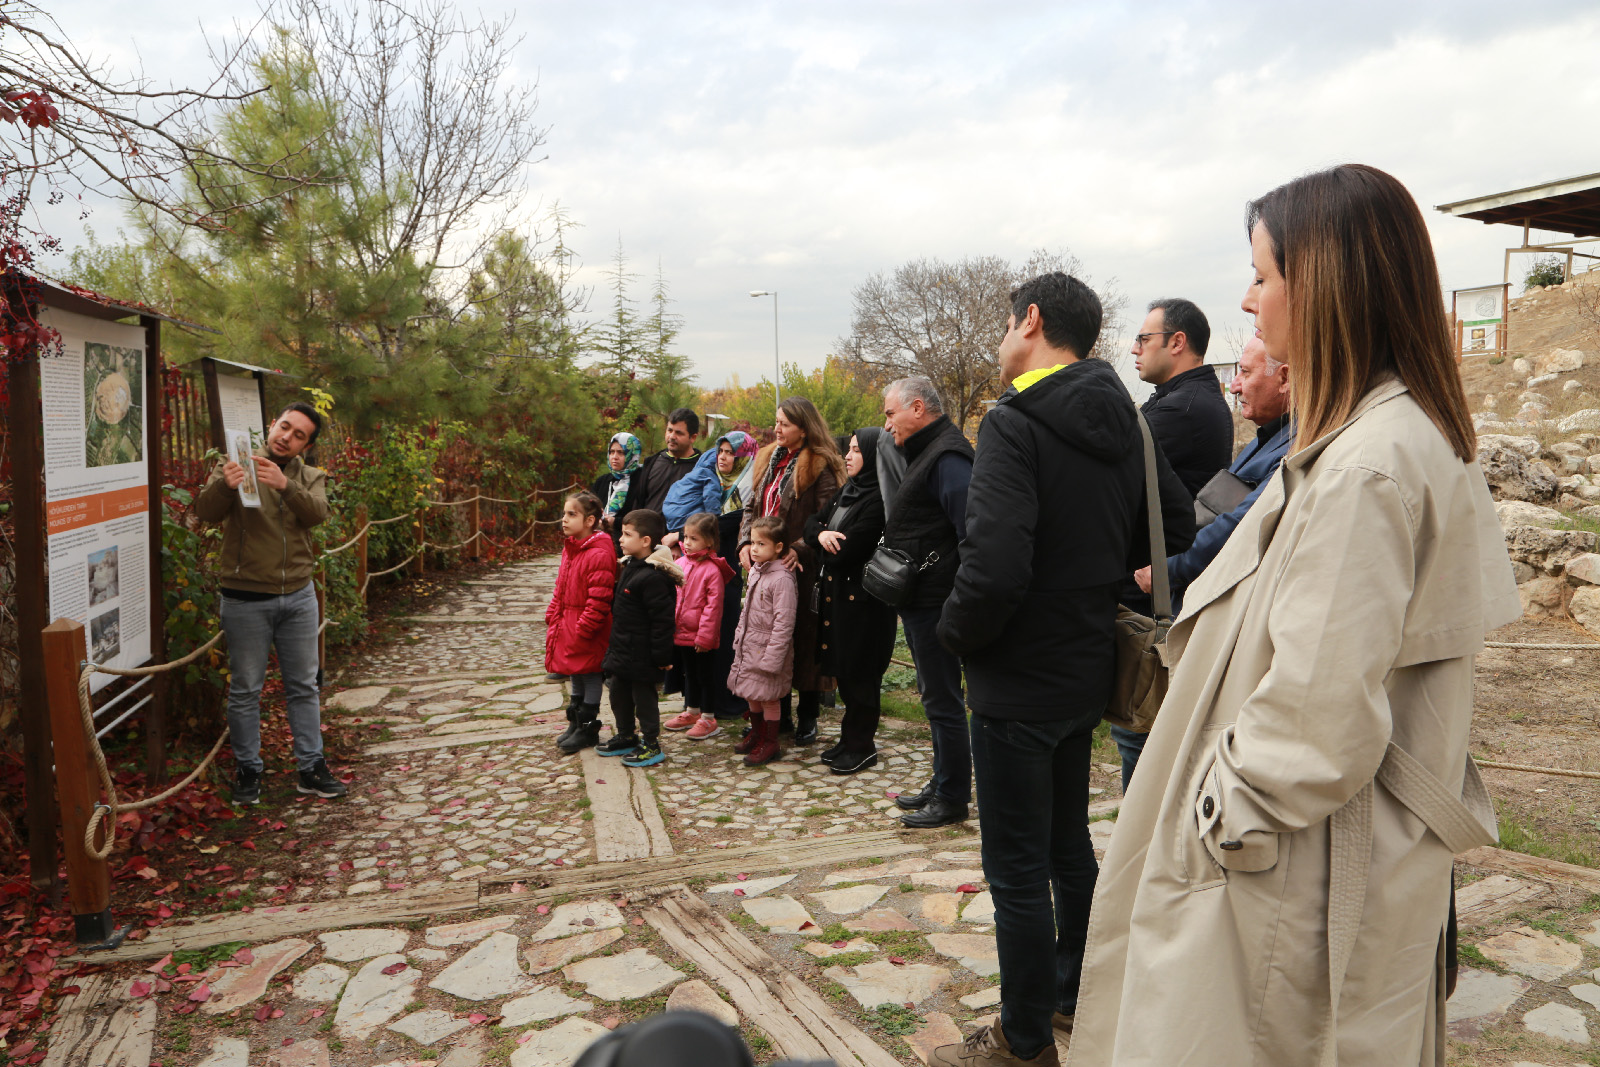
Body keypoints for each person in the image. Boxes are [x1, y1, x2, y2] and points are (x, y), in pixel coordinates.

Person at [1066, 166, 1521, 1067]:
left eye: (1264, 275)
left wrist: (1217, 817)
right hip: (1310, 861)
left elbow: (1318, 718)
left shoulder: (1367, 464)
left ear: (1327, 284)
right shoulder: (1386, 434)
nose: (1248, 299)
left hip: (1291, 875)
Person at [931, 273, 1194, 1067]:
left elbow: (997, 564)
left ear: (1033, 321)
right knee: (1066, 846)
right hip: (1085, 669)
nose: (1002, 339)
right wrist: (1094, 577)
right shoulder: (1129, 420)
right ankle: (1078, 994)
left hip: (1015, 675)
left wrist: (955, 635)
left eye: (1007, 324)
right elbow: (1176, 522)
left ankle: (1023, 1040)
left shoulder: (1014, 421)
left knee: (1014, 867)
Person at [1113, 337, 1295, 792]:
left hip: (1207, 600)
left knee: (1146, 728)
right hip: (1193, 592)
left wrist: (1171, 567)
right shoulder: (1267, 438)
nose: (1235, 386)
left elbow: (1240, 521)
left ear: (1286, 379)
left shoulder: (1292, 444)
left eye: (1247, 373)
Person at [194, 402, 347, 805]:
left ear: (306, 445)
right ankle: (249, 770)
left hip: (298, 597)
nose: (287, 437)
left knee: (304, 686)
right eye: (285, 427)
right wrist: (224, 485)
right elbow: (205, 514)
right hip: (245, 598)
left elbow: (318, 514)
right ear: (272, 424)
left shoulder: (311, 476)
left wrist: (285, 485)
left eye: (299, 435)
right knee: (246, 689)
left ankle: (310, 768)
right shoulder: (236, 464)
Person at [879, 376, 974, 830]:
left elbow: (969, 531)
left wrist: (956, 598)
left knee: (943, 700)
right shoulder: (930, 452)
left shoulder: (948, 457)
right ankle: (942, 783)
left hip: (937, 602)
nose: (886, 423)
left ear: (918, 408)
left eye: (890, 413)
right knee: (935, 697)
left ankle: (953, 796)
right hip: (923, 599)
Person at [738, 397, 845, 744]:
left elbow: (828, 516)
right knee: (770, 639)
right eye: (776, 422)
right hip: (765, 565)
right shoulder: (767, 458)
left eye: (784, 423)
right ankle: (776, 715)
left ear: (804, 426)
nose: (777, 429)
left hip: (803, 567)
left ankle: (808, 715)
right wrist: (744, 543)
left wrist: (798, 548)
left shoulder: (819, 464)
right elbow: (751, 505)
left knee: (804, 638)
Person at [804, 428, 898, 774]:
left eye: (857, 450)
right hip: (840, 599)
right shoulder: (849, 490)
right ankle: (849, 739)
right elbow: (811, 524)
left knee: (861, 675)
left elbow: (848, 551)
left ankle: (862, 745)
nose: (847, 455)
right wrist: (822, 534)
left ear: (874, 456)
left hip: (865, 605)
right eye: (850, 449)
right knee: (845, 672)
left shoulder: (880, 500)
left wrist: (824, 540)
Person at [598, 509, 682, 768]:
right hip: (623, 650)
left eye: (626, 534)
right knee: (618, 694)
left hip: (644, 654)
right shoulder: (631, 565)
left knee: (644, 700)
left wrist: (661, 657)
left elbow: (662, 621)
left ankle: (651, 743)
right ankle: (626, 735)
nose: (620, 539)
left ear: (646, 541)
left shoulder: (654, 576)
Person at [1131, 297, 1234, 496]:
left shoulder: (1181, 410)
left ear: (1177, 342)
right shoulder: (1190, 397)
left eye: (1144, 339)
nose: (1135, 349)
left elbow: (1112, 468)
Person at [547, 492, 618, 755]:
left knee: (589, 675)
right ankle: (576, 724)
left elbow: (599, 597)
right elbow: (561, 586)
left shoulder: (598, 553)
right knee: (575, 672)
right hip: (569, 620)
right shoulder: (571, 548)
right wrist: (553, 612)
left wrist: (585, 627)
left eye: (571, 514)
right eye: (564, 514)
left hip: (586, 625)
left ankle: (588, 728)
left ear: (590, 520)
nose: (564, 519)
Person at [727, 516, 799, 766]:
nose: (754, 549)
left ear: (778, 547)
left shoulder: (782, 579)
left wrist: (773, 657)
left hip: (768, 650)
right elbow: (748, 611)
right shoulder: (757, 571)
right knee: (752, 693)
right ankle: (757, 734)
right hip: (750, 646)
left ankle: (770, 742)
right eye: (753, 543)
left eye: (761, 544)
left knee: (768, 696)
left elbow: (784, 622)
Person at [662, 512, 736, 739]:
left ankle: (708, 718)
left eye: (694, 538)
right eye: (686, 537)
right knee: (689, 674)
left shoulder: (712, 570)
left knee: (705, 676)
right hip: (682, 633)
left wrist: (704, 638)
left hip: (701, 637)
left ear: (710, 542)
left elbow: (713, 608)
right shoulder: (681, 563)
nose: (688, 543)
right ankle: (692, 711)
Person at [632, 408, 702, 514]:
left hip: (680, 530)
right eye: (669, 430)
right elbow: (638, 503)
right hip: (647, 529)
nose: (672, 436)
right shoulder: (652, 462)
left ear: (692, 437)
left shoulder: (701, 468)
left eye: (679, 433)